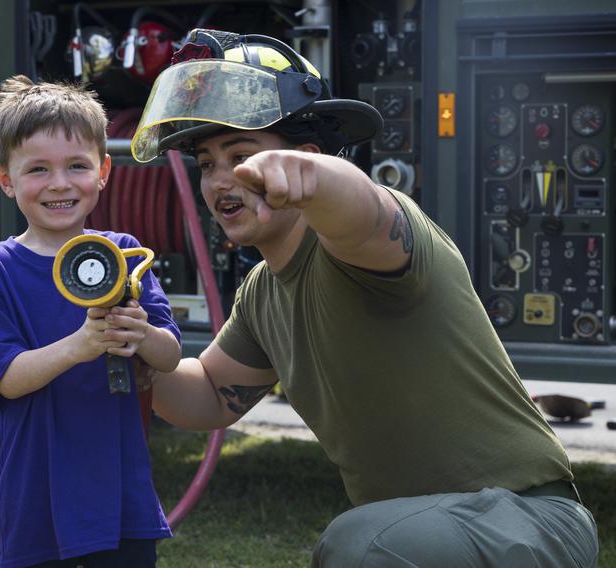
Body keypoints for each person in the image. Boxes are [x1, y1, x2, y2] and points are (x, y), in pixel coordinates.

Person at [130, 29, 599, 567]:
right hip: (428, 532)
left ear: (306, 156)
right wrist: (140, 349)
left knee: (356, 547)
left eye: (241, 153)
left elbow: (363, 211)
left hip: (528, 518)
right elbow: (210, 395)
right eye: (207, 163)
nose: (220, 180)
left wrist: (312, 176)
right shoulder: (262, 293)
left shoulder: (359, 241)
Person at [0, 75, 181, 568]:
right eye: (38, 169)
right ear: (6, 180)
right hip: (34, 495)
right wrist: (82, 345)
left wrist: (142, 335)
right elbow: (6, 379)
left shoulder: (126, 253)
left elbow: (169, 354)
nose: (60, 184)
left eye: (77, 166)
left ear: (104, 171)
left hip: (119, 493)